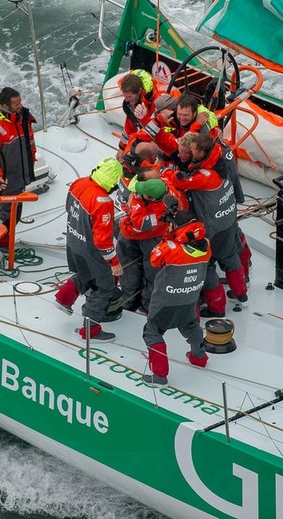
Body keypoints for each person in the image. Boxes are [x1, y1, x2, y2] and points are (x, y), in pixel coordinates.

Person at [165, 132, 247, 317]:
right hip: (228, 218)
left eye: (193, 150)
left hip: (213, 226)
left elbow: (179, 181)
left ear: (201, 153)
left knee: (207, 266)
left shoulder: (205, 175)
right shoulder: (220, 155)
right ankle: (241, 294)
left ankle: (217, 309)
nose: (191, 153)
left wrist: (168, 171)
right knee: (231, 257)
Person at [55, 157, 125, 342]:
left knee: (85, 274)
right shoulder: (103, 201)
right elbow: (103, 241)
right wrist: (115, 263)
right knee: (105, 287)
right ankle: (90, 329)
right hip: (91, 251)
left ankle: (64, 298)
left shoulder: (79, 183)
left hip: (73, 242)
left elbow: (68, 208)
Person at [142, 210, 211, 386]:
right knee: (191, 326)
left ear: (176, 227)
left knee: (152, 333)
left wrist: (169, 236)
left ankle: (159, 376)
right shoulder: (206, 247)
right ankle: (199, 357)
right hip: (188, 300)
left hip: (165, 303)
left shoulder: (169, 249)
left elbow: (154, 260)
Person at [115, 173, 187, 313]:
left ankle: (139, 303)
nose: (137, 193)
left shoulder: (149, 216)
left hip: (147, 238)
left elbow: (137, 226)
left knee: (146, 271)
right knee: (150, 270)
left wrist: (123, 222)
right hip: (157, 236)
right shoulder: (165, 186)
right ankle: (143, 302)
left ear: (152, 198)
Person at [0, 87, 37, 245]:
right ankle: (0, 242)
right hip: (6, 180)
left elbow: (29, 142)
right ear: (5, 106)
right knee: (7, 213)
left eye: (20, 102)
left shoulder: (21, 118)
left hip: (20, 175)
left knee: (12, 211)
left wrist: (32, 159)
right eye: (16, 104)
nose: (20, 106)